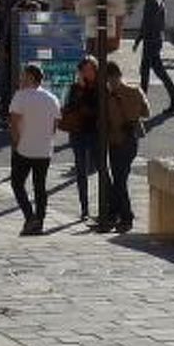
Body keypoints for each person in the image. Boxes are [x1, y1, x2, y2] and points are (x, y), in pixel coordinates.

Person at [7, 62, 62, 235]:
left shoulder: (20, 96)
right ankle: (39, 221)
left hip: (24, 148)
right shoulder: (52, 98)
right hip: (44, 149)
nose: (20, 79)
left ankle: (30, 217)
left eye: (23, 76)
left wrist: (16, 144)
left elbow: (14, 123)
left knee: (17, 183)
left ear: (30, 77)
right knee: (40, 186)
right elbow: (54, 125)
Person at [99, 59, 150, 233]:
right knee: (120, 179)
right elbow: (146, 112)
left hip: (117, 140)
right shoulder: (135, 91)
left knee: (119, 180)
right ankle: (114, 214)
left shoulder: (107, 97)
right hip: (130, 140)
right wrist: (133, 115)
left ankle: (126, 216)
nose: (110, 82)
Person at [58, 55, 102, 224]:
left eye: (90, 69)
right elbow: (69, 107)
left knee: (101, 169)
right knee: (81, 170)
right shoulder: (76, 87)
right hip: (78, 132)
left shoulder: (100, 87)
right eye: (84, 70)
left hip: (96, 133)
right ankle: (84, 208)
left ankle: (104, 206)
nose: (87, 73)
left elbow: (98, 109)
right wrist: (81, 91)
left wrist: (85, 105)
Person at [135, 0, 174, 111]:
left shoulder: (151, 2)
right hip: (154, 40)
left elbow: (147, 23)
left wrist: (139, 39)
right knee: (151, 71)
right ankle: (171, 98)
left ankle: (144, 103)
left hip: (151, 41)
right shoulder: (158, 0)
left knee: (151, 72)